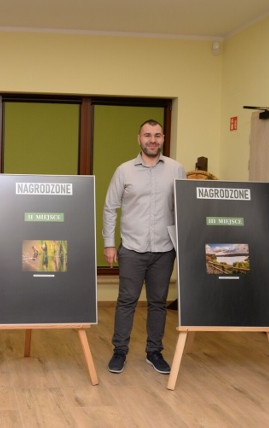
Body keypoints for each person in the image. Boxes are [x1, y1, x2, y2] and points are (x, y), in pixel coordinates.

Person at [102, 119, 185, 375]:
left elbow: (184, 207)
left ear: (162, 139)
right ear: (139, 138)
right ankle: (120, 351)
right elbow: (110, 208)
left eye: (157, 135)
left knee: (158, 302)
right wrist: (108, 244)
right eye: (147, 135)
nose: (152, 140)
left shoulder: (176, 169)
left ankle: (154, 352)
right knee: (127, 301)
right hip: (132, 248)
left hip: (164, 249)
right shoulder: (124, 171)